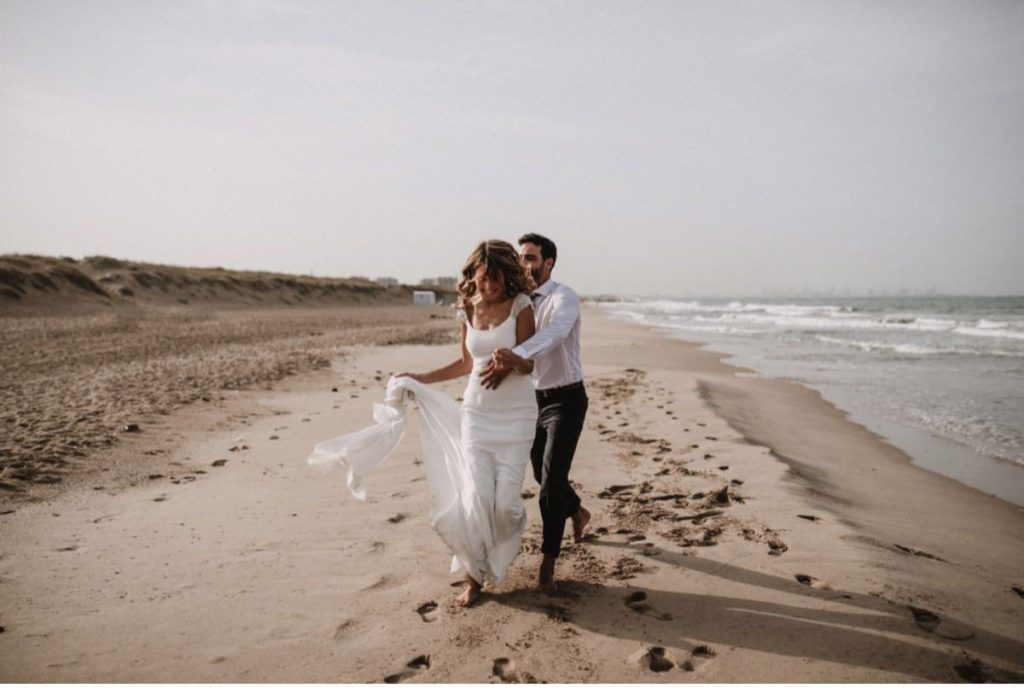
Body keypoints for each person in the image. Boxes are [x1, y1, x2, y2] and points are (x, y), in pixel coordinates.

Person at [309, 240, 538, 608]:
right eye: (482, 281)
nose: (489, 288)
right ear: (473, 276)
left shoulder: (521, 306)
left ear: (507, 277)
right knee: (474, 497)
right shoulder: (467, 308)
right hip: (477, 416)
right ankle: (474, 577)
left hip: (517, 417)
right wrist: (420, 378)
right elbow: (465, 364)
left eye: (495, 281)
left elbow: (532, 363)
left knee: (505, 506)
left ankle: (506, 540)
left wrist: (514, 360)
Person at [482, 233, 590, 594]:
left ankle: (548, 563)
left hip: (567, 400)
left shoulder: (564, 297)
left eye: (530, 258)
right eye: (521, 258)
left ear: (548, 263)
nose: (524, 264)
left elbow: (556, 335)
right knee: (546, 478)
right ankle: (576, 511)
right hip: (533, 402)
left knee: (549, 485)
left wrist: (518, 354)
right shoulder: (519, 302)